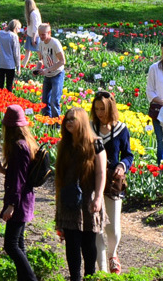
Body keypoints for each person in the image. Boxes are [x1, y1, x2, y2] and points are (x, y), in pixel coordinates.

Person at [54, 107, 107, 281]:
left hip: (89, 198)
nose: (68, 122)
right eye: (66, 119)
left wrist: (98, 197)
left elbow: (101, 173)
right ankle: (75, 278)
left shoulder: (96, 144)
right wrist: (58, 205)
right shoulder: (64, 145)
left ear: (82, 122)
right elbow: (59, 177)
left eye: (72, 119)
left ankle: (90, 276)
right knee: (72, 243)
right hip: (69, 200)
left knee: (88, 243)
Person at [90, 91, 133, 275]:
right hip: (92, 181)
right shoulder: (90, 128)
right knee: (97, 226)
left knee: (113, 228)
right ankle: (103, 270)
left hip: (114, 183)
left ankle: (112, 253)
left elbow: (128, 154)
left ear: (111, 108)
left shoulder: (121, 130)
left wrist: (123, 166)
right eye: (97, 109)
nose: (100, 113)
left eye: (103, 109)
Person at [0, 105, 39, 281]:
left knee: (11, 245)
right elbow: (20, 175)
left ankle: (31, 278)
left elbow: (18, 180)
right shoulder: (26, 143)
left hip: (19, 201)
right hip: (25, 198)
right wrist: (1, 169)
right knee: (19, 243)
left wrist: (11, 205)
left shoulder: (19, 147)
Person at [36, 23, 66, 118]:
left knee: (54, 100)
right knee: (44, 101)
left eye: (43, 34)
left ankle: (56, 124)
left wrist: (47, 70)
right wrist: (37, 69)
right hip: (47, 75)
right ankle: (46, 121)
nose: (41, 36)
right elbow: (40, 59)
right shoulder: (40, 43)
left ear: (49, 33)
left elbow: (62, 61)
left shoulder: (55, 43)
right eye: (39, 34)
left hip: (57, 74)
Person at [0, 20, 22, 92]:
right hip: (9, 64)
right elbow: (16, 53)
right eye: (19, 28)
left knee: (0, 84)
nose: (19, 31)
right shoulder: (14, 36)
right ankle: (8, 100)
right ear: (15, 28)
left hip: (0, 63)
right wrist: (18, 67)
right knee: (9, 85)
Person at [21, 0, 42, 68]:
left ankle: (42, 63)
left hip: (34, 35)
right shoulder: (34, 12)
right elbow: (32, 25)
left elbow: (36, 27)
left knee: (38, 51)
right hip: (30, 34)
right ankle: (23, 66)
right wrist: (27, 30)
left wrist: (34, 38)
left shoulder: (33, 13)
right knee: (27, 51)